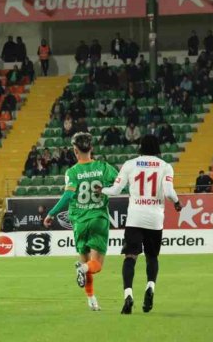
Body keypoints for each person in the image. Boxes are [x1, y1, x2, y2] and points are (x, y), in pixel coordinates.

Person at [99, 135, 182, 314]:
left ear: (140, 147)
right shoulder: (165, 167)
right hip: (155, 219)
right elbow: (168, 192)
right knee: (152, 257)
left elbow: (115, 190)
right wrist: (176, 202)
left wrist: (101, 190)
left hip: (135, 218)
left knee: (130, 257)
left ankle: (128, 294)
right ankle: (150, 287)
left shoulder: (130, 164)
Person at [43, 132, 118, 312]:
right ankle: (83, 271)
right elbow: (121, 184)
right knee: (95, 266)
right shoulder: (104, 167)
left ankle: (92, 300)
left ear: (75, 150)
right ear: (91, 148)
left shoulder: (72, 172)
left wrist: (51, 213)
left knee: (84, 262)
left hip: (79, 222)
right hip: (98, 219)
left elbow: (68, 195)